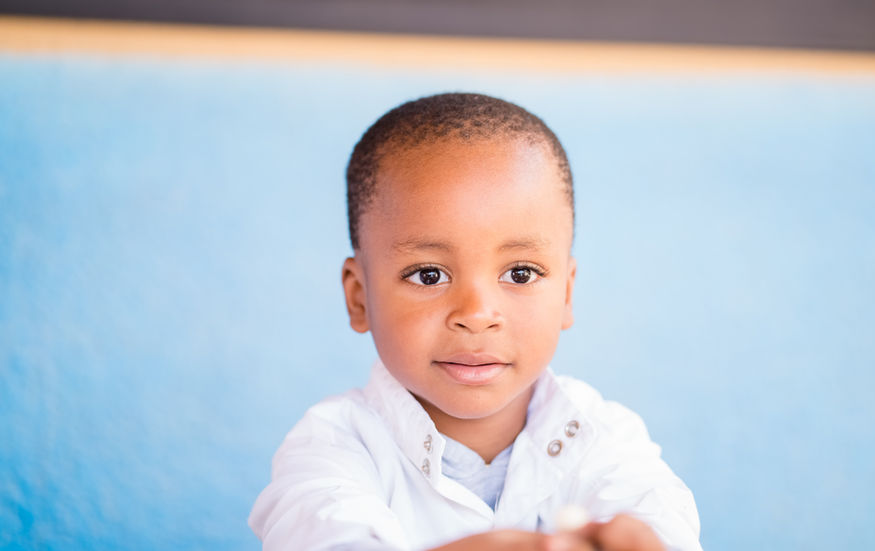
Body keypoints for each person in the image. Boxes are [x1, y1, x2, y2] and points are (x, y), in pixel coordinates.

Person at [248, 93, 702, 551]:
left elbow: (665, 531)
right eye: (429, 275)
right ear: (359, 297)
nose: (477, 315)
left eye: (520, 273)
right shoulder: (331, 448)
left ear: (565, 293)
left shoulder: (607, 440)